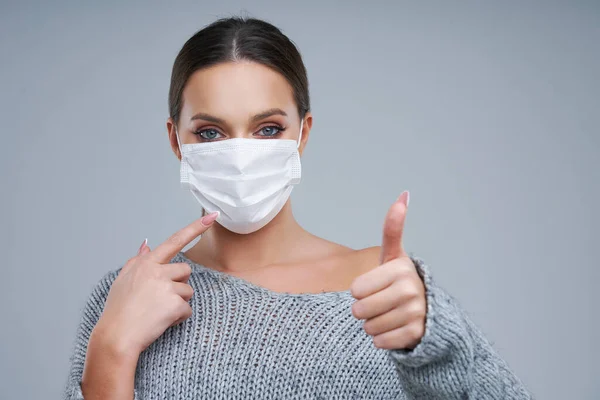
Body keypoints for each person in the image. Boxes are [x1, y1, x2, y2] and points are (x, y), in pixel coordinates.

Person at [63, 16, 532, 400]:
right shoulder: (127, 297)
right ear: (175, 140)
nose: (241, 154)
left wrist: (435, 342)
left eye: (267, 129)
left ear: (302, 134)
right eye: (210, 132)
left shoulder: (387, 291)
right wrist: (111, 351)